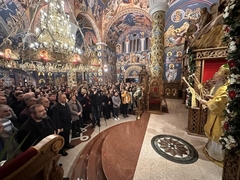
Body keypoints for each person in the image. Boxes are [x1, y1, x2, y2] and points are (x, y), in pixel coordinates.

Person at [199, 64, 230, 163]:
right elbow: (218, 99)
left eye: (219, 76)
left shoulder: (226, 88)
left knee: (218, 132)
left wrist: (206, 102)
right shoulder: (226, 86)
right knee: (215, 131)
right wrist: (211, 97)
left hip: (221, 117)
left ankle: (217, 155)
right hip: (217, 115)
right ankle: (211, 150)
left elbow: (220, 103)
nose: (218, 78)